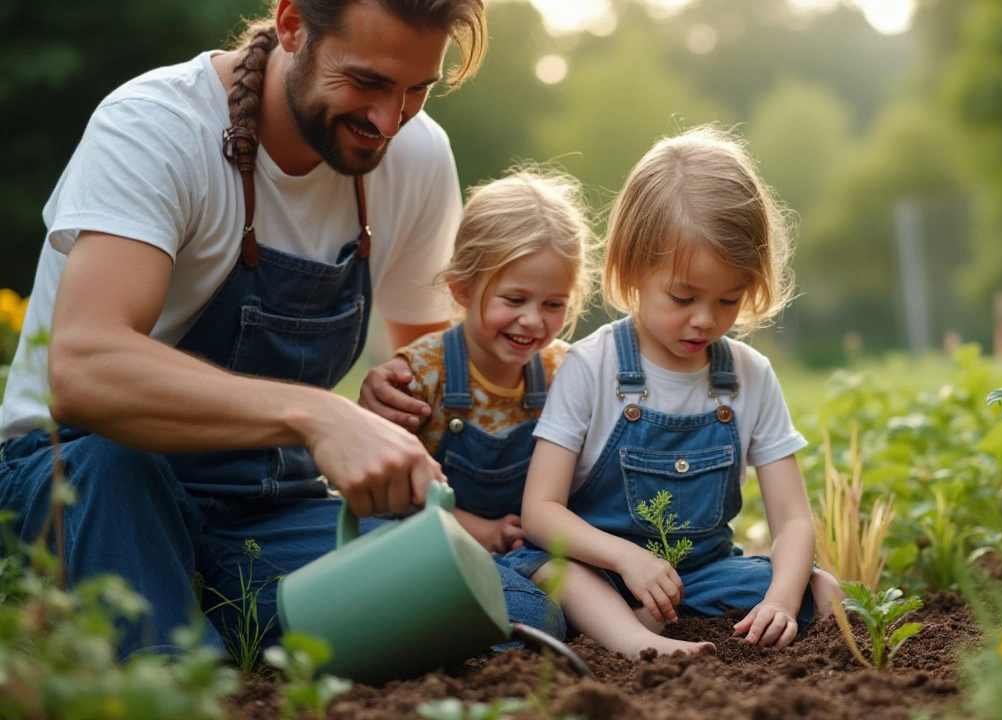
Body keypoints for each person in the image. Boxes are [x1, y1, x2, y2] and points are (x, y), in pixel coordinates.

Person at [0, 0, 566, 658]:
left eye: (417, 89)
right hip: (87, 473)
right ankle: (193, 635)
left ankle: (209, 605)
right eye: (368, 82)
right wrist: (318, 416)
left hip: (265, 504)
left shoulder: (415, 155)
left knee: (511, 614)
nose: (389, 121)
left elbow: (435, 375)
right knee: (169, 666)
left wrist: (391, 412)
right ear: (293, 24)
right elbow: (84, 370)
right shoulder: (155, 125)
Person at [509, 126, 839, 657]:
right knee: (555, 581)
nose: (705, 321)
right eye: (683, 297)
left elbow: (793, 519)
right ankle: (638, 641)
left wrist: (779, 600)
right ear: (634, 268)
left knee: (817, 589)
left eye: (728, 300)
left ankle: (647, 624)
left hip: (698, 578)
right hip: (596, 570)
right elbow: (541, 512)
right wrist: (626, 558)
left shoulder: (749, 376)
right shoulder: (593, 367)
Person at [364, 168, 596, 554]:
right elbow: (389, 491)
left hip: (526, 549)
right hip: (424, 547)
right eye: (515, 299)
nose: (534, 320)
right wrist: (479, 531)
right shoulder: (421, 373)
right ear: (463, 289)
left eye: (553, 304)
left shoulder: (564, 371)